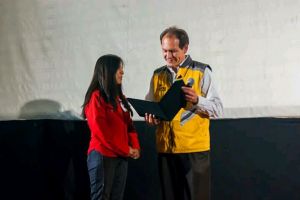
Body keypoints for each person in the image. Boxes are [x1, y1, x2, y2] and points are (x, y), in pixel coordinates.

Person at [145, 26, 223, 200]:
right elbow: (152, 105)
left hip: (194, 152)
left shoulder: (201, 71)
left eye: (173, 51)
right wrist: (150, 118)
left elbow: (218, 109)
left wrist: (197, 101)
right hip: (165, 151)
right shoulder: (157, 75)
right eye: (164, 51)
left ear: (185, 48)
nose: (168, 56)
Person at [82, 54, 140, 200]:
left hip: (121, 156)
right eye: (118, 69)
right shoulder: (96, 98)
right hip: (103, 156)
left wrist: (135, 147)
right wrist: (126, 149)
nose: (122, 72)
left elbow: (129, 126)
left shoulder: (121, 99)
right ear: (107, 71)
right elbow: (102, 132)